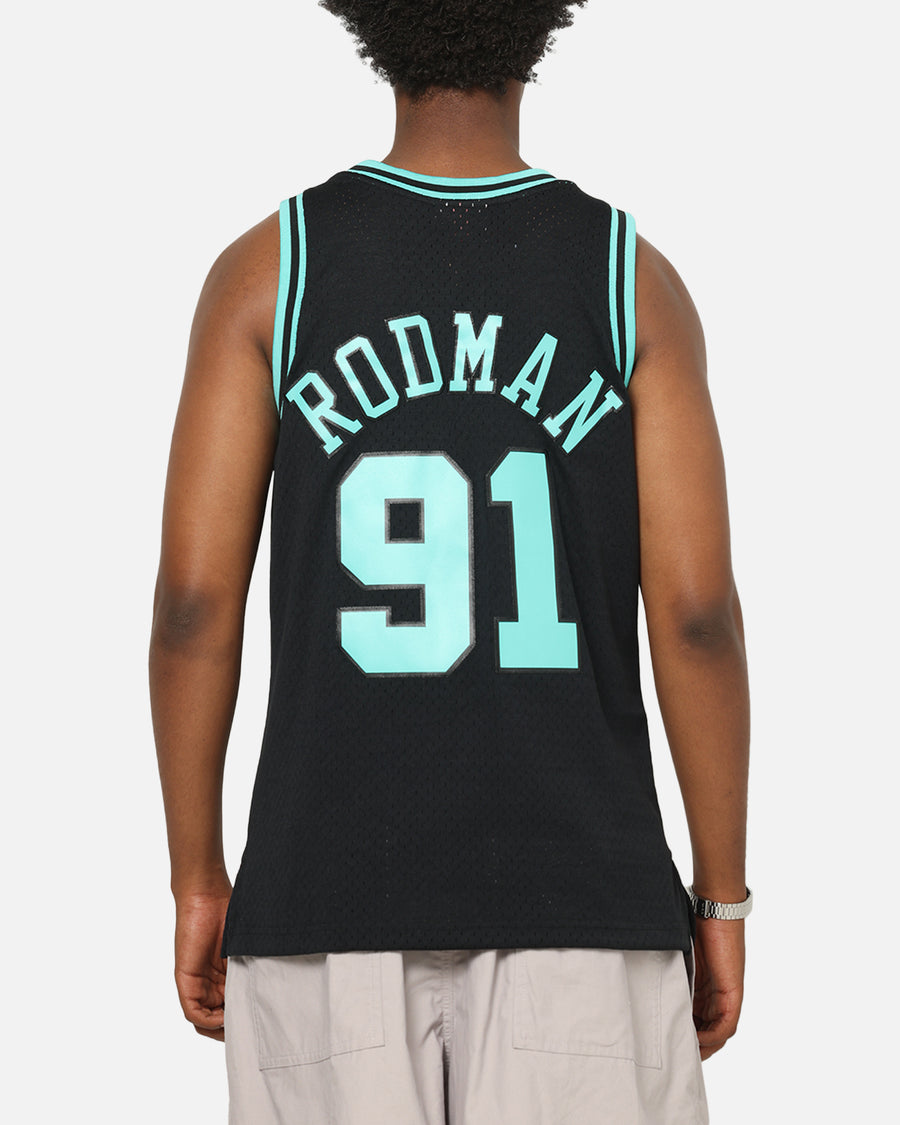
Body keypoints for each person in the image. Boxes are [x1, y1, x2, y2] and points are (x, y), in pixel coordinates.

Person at [149, 2, 751, 1121]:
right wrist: (722, 898)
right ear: (539, 28)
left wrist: (198, 875)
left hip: (322, 901)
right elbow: (697, 613)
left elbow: (192, 606)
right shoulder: (628, 277)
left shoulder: (270, 270)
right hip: (585, 902)